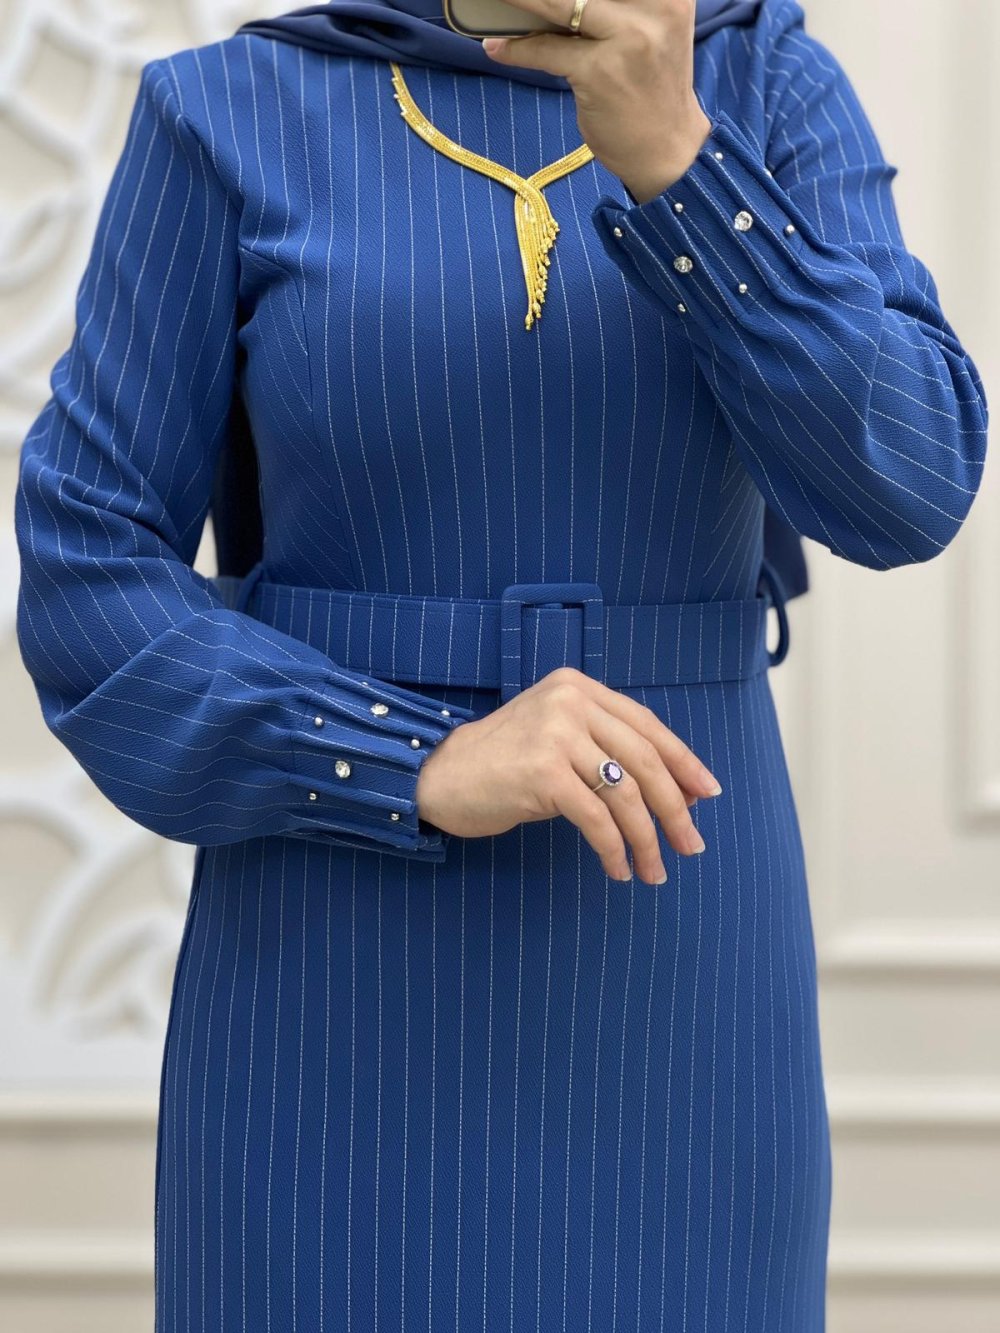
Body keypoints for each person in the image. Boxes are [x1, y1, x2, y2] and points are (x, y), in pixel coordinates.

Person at [13, 0, 987, 1328]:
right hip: (332, 978)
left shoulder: (767, 83)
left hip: (676, 968)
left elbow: (912, 484)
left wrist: (683, 166)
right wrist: (410, 756)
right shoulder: (229, 110)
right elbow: (86, 568)